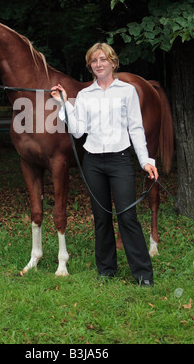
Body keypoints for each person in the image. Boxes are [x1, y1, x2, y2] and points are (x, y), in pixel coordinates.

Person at [51, 43, 158, 286]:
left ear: (113, 62)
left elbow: (136, 129)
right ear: (90, 66)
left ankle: (143, 275)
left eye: (102, 59)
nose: (98, 64)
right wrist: (64, 103)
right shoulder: (86, 95)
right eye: (94, 61)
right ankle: (106, 270)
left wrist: (145, 162)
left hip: (119, 160)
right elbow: (78, 132)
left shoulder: (127, 91)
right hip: (93, 162)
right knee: (101, 218)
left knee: (127, 215)